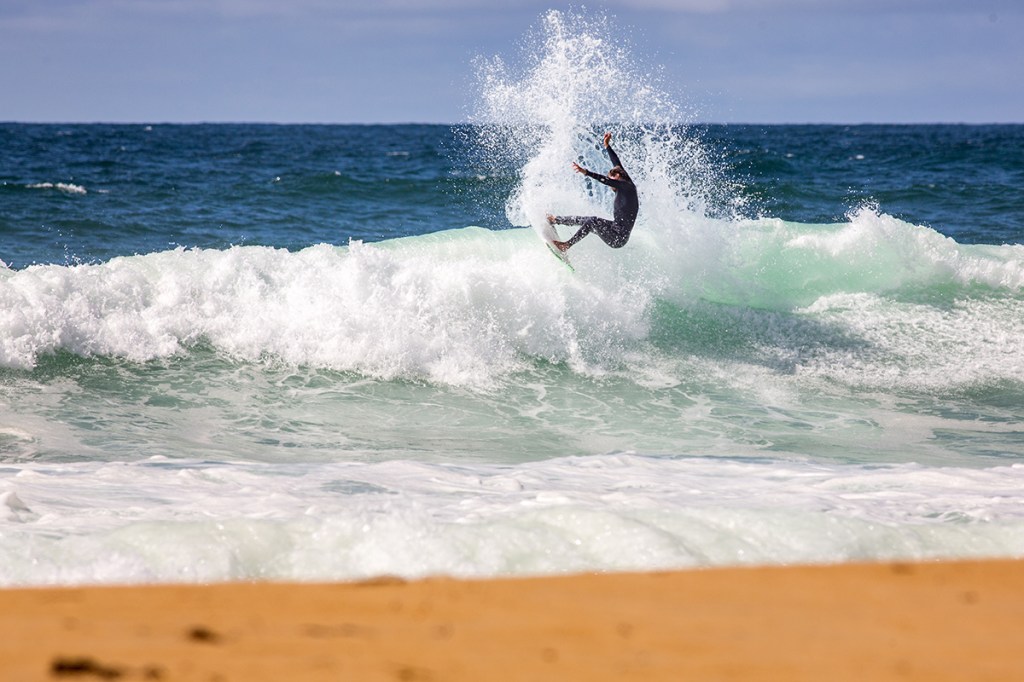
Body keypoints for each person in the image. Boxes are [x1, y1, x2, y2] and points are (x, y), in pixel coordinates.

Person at [547, 132, 639, 253]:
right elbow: (616, 162)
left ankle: (567, 245)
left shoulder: (627, 187)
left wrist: (586, 172)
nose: (611, 185)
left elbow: (605, 180)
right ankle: (555, 219)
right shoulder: (624, 180)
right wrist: (607, 146)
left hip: (618, 238)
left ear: (618, 176)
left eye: (612, 180)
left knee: (591, 221)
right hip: (614, 229)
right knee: (588, 220)